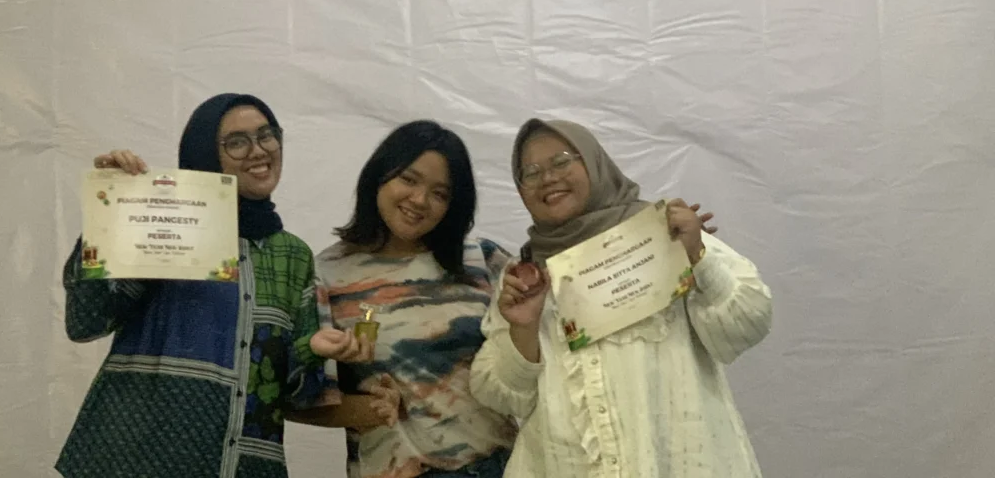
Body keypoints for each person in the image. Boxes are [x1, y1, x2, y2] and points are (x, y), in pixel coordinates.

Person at [56, 93, 395, 478]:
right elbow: (87, 321)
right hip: (134, 461)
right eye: (237, 142)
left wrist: (312, 348)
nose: (258, 150)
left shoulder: (292, 255)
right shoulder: (164, 222)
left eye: (266, 135)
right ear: (204, 154)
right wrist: (112, 216)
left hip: (245, 465)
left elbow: (295, 395)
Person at [469, 118, 772, 477]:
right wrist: (523, 330)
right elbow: (499, 396)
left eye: (561, 161)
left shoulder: (667, 235)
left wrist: (697, 258)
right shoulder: (525, 279)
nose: (547, 178)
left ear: (594, 163)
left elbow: (748, 323)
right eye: (530, 173)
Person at [295, 120, 518, 478]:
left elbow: (533, 359)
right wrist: (366, 410)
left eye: (440, 193)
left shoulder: (483, 261)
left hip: (500, 468)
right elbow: (295, 399)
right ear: (379, 176)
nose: (419, 200)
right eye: (409, 179)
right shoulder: (327, 274)